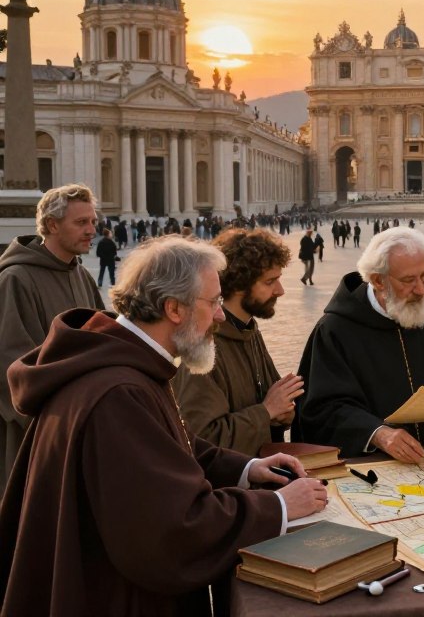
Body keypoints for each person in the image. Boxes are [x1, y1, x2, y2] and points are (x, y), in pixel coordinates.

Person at [0, 236, 328, 616]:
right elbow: (172, 531)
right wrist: (277, 507)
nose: (221, 316)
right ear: (173, 308)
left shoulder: (126, 363)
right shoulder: (118, 392)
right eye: (214, 302)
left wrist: (245, 468)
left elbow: (167, 448)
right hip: (112, 597)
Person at [293, 227, 424, 461]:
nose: (421, 289)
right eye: (409, 280)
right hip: (374, 472)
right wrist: (377, 434)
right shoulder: (334, 331)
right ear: (378, 280)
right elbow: (321, 410)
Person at [0, 183, 105, 492]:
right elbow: (11, 362)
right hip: (38, 430)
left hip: (81, 424)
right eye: (81, 222)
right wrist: (59, 418)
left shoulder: (81, 275)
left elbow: (104, 342)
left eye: (92, 222)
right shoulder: (15, 279)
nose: (91, 230)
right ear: (51, 225)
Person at [173, 229, 304, 455]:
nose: (280, 291)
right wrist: (266, 411)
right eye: (270, 281)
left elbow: (270, 405)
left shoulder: (249, 330)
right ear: (240, 284)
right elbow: (201, 441)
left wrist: (283, 414)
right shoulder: (202, 347)